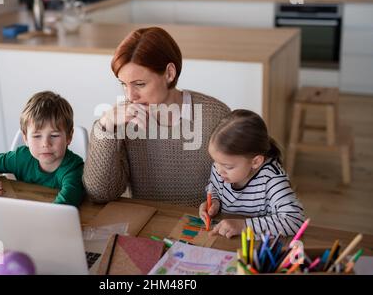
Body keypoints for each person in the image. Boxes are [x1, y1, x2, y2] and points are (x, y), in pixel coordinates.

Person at [83, 27, 231, 207]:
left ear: (169, 73)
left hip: (200, 227)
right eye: (123, 84)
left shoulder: (216, 115)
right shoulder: (123, 122)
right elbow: (100, 193)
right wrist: (104, 127)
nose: (130, 96)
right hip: (145, 227)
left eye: (140, 84)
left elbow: (239, 188)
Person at [199, 109, 305, 238]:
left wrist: (243, 226)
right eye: (215, 162)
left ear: (255, 162)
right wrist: (214, 202)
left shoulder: (272, 179)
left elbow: (295, 220)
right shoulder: (220, 167)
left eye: (228, 166)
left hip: (255, 247)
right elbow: (214, 187)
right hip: (224, 239)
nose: (218, 169)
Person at [0, 91, 84, 206]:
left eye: (54, 135)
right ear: (25, 138)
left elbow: (63, 207)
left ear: (69, 136)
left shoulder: (75, 169)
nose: (45, 144)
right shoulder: (21, 158)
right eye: (37, 136)